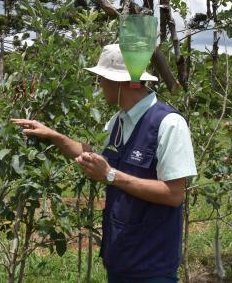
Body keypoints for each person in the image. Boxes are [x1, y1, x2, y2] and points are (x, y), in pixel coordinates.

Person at [11, 44, 197, 282]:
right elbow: (97, 157)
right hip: (120, 258)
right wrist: (53, 136)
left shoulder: (169, 123)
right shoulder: (118, 122)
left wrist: (110, 175)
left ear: (120, 82)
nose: (99, 85)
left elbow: (174, 194)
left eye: (102, 79)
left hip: (152, 266)